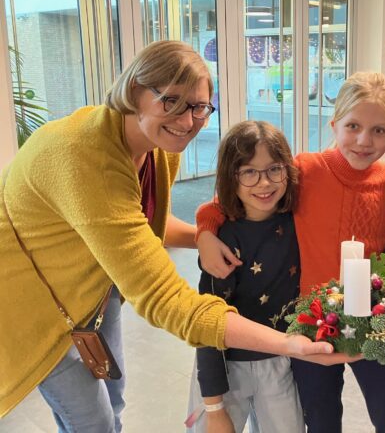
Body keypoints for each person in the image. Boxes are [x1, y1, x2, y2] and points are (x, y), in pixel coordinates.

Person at [0, 40, 331, 432]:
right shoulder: (86, 157)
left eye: (199, 106)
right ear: (135, 90)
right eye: (171, 100)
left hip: (95, 288)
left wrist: (204, 235)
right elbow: (163, 298)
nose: (187, 121)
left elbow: (140, 222)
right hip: (31, 303)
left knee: (114, 400)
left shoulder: (158, 146)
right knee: (93, 422)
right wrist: (287, 344)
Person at [196, 72, 385, 433]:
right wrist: (205, 231)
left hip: (372, 315)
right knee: (321, 418)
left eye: (379, 130)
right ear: (334, 123)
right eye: (353, 126)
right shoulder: (306, 169)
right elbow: (230, 197)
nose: (364, 140)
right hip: (312, 321)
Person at [187, 121, 304, 433]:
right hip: (225, 366)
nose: (264, 183)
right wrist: (213, 407)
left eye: (274, 169)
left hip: (280, 358)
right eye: (249, 172)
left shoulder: (298, 221)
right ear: (231, 177)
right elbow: (207, 324)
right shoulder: (222, 241)